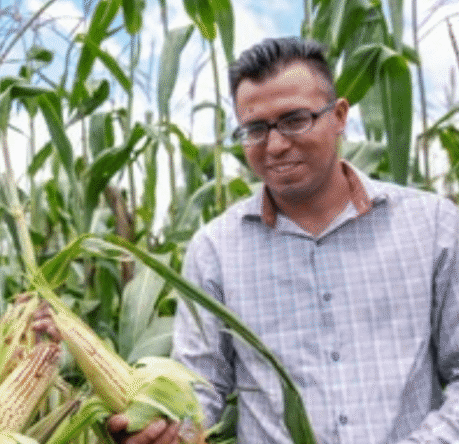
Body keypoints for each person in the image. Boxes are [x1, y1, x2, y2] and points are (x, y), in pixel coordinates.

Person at [114, 36, 459, 444]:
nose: (275, 146)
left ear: (340, 115)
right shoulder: (216, 249)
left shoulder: (433, 225)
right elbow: (201, 387)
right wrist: (165, 428)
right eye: (255, 129)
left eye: (296, 120)